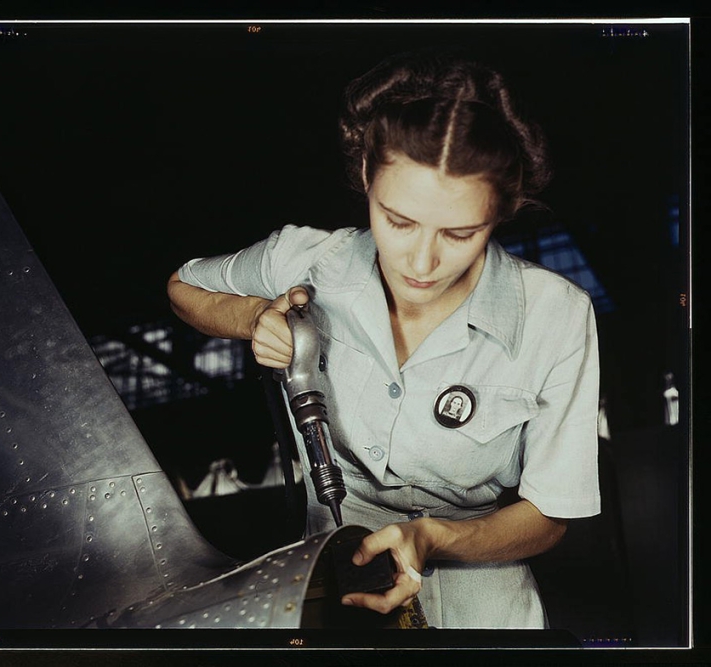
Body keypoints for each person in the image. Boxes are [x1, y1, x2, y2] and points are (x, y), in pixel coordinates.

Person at [167, 51, 600, 629]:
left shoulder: (557, 316)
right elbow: (182, 286)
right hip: (332, 575)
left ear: (502, 211)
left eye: (460, 232)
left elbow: (550, 514)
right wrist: (250, 318)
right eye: (398, 221)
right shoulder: (309, 260)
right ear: (368, 176)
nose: (422, 262)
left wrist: (431, 537)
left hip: (484, 584)